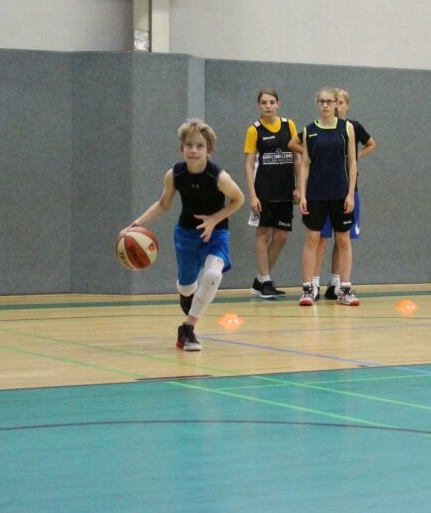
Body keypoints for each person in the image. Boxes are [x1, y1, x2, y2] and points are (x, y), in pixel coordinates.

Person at [121, 119, 245, 351]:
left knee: (212, 275)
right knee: (187, 288)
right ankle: (187, 294)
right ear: (181, 148)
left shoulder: (219, 177)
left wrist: (214, 219)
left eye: (200, 146)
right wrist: (136, 224)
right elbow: (163, 204)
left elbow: (239, 199)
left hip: (215, 234)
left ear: (209, 151)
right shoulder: (174, 174)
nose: (194, 150)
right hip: (186, 235)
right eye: (189, 145)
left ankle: (188, 329)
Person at [296, 87, 358, 306]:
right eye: (321, 101)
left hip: (340, 194)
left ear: (335, 104)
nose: (325, 105)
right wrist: (303, 194)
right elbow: (305, 164)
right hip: (315, 194)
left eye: (329, 101)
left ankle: (345, 289)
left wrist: (350, 194)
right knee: (312, 239)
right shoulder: (309, 130)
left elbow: (352, 162)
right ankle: (308, 289)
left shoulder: (346, 128)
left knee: (343, 240)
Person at [315, 88, 376, 300]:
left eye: (341, 103)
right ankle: (314, 284)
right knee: (321, 237)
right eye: (335, 102)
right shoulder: (320, 129)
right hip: (324, 191)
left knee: (343, 239)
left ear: (347, 105)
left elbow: (371, 144)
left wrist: (354, 156)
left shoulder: (352, 127)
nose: (337, 106)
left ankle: (336, 282)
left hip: (347, 190)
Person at [243, 88, 300, 300]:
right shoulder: (254, 130)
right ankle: (266, 280)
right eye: (264, 102)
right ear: (259, 105)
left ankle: (260, 280)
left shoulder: (289, 125)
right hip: (264, 191)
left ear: (278, 104)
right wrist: (252, 195)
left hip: (285, 190)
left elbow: (297, 158)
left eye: (271, 102)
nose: (268, 106)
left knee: (282, 236)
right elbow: (249, 165)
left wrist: (299, 187)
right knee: (263, 234)